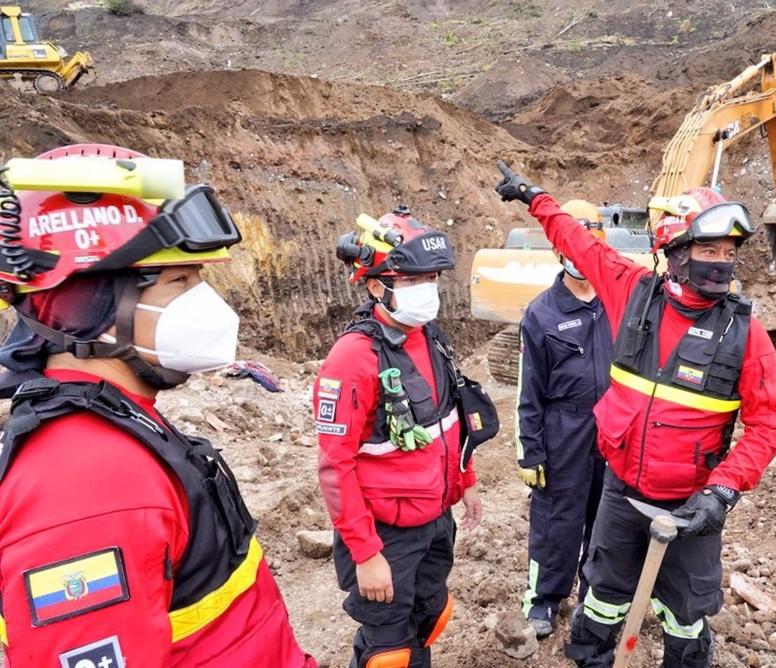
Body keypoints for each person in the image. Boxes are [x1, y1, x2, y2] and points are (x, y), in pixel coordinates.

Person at [0, 144, 314, 667]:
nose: (205, 303)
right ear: (89, 307)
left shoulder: (115, 423)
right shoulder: (89, 484)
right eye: (179, 281)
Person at [494, 161, 776, 668]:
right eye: (707, 251)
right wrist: (535, 197)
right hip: (621, 493)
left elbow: (768, 427)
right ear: (674, 253)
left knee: (685, 618)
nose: (721, 264)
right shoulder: (633, 295)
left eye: (728, 253)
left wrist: (722, 491)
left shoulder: (746, 336)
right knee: (601, 601)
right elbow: (580, 241)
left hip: (691, 507)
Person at [316, 206, 492, 668]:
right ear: (377, 286)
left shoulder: (430, 337)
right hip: (386, 534)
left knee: (430, 619)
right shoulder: (352, 360)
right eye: (412, 281)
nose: (426, 291)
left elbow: (448, 420)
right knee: (390, 652)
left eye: (431, 279)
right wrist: (367, 553)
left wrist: (465, 481)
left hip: (436, 519)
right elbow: (336, 468)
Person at [516, 199, 612, 639]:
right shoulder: (542, 313)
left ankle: (594, 598)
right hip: (563, 430)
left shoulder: (617, 302)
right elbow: (527, 391)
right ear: (558, 251)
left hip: (613, 431)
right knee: (558, 521)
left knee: (606, 519)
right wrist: (529, 450)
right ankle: (544, 600)